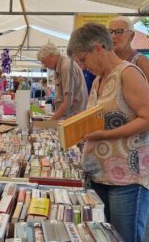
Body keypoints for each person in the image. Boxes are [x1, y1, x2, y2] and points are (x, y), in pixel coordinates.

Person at [67, 22, 149, 242]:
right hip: (100, 176)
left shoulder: (128, 73)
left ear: (98, 48)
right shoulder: (98, 81)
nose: (83, 67)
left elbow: (147, 117)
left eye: (83, 60)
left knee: (125, 237)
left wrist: (104, 135)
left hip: (127, 179)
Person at [37, 42, 88, 120]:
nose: (44, 65)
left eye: (44, 61)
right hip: (71, 117)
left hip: (73, 118)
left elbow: (68, 101)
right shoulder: (61, 66)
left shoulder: (65, 67)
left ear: (51, 55)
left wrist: (52, 120)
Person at [109, 16, 149, 82]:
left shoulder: (141, 61)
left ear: (132, 36)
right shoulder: (107, 59)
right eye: (110, 32)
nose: (113, 36)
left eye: (119, 32)